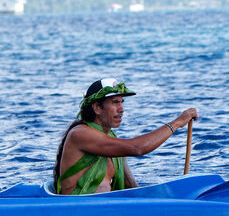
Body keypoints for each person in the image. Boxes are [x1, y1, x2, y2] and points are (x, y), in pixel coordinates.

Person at [54, 79, 196, 194]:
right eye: (115, 102)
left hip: (105, 209)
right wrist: (177, 123)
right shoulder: (80, 133)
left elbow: (130, 186)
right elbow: (137, 148)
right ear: (97, 107)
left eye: (122, 102)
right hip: (80, 211)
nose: (122, 109)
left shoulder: (111, 137)